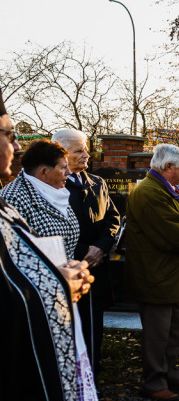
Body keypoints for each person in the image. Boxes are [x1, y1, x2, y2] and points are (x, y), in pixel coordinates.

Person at [1, 94, 105, 401]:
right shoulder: (14, 197)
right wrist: (58, 286)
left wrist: (61, 277)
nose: (13, 143)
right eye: (7, 134)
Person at [126, 144, 179, 401]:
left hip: (171, 273)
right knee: (158, 332)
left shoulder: (168, 189)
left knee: (173, 328)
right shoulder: (150, 193)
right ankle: (153, 381)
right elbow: (175, 232)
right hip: (156, 274)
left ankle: (169, 373)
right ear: (169, 167)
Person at [53, 129, 121, 371]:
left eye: (86, 149)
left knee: (94, 327)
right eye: (79, 150)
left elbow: (113, 218)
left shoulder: (98, 183)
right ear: (61, 153)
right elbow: (51, 230)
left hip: (97, 268)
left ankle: (92, 376)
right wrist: (85, 251)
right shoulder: (52, 186)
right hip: (68, 269)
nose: (86, 154)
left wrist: (101, 248)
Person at [1, 139, 79, 261]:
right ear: (44, 171)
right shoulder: (13, 199)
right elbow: (12, 255)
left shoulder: (55, 190)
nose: (69, 173)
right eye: (64, 167)